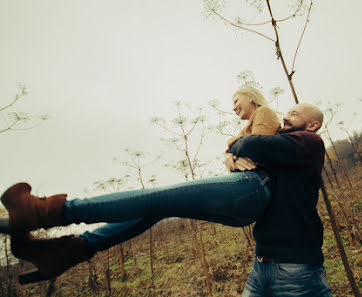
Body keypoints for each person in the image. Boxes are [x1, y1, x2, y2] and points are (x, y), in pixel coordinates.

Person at [1, 86, 282, 284]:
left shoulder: (266, 111)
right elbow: (247, 150)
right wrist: (230, 157)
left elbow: (258, 148)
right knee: (158, 207)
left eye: (237, 99)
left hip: (252, 186)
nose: (233, 106)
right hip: (247, 193)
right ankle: (70, 251)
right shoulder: (249, 125)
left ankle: (45, 211)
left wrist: (231, 148)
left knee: (156, 196)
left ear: (252, 97)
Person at [229, 103, 333, 297]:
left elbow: (251, 144)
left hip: (296, 269)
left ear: (312, 125)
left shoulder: (310, 142)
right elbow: (247, 157)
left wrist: (234, 143)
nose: (285, 117)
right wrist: (232, 157)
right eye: (288, 112)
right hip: (260, 266)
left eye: (294, 114)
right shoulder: (282, 153)